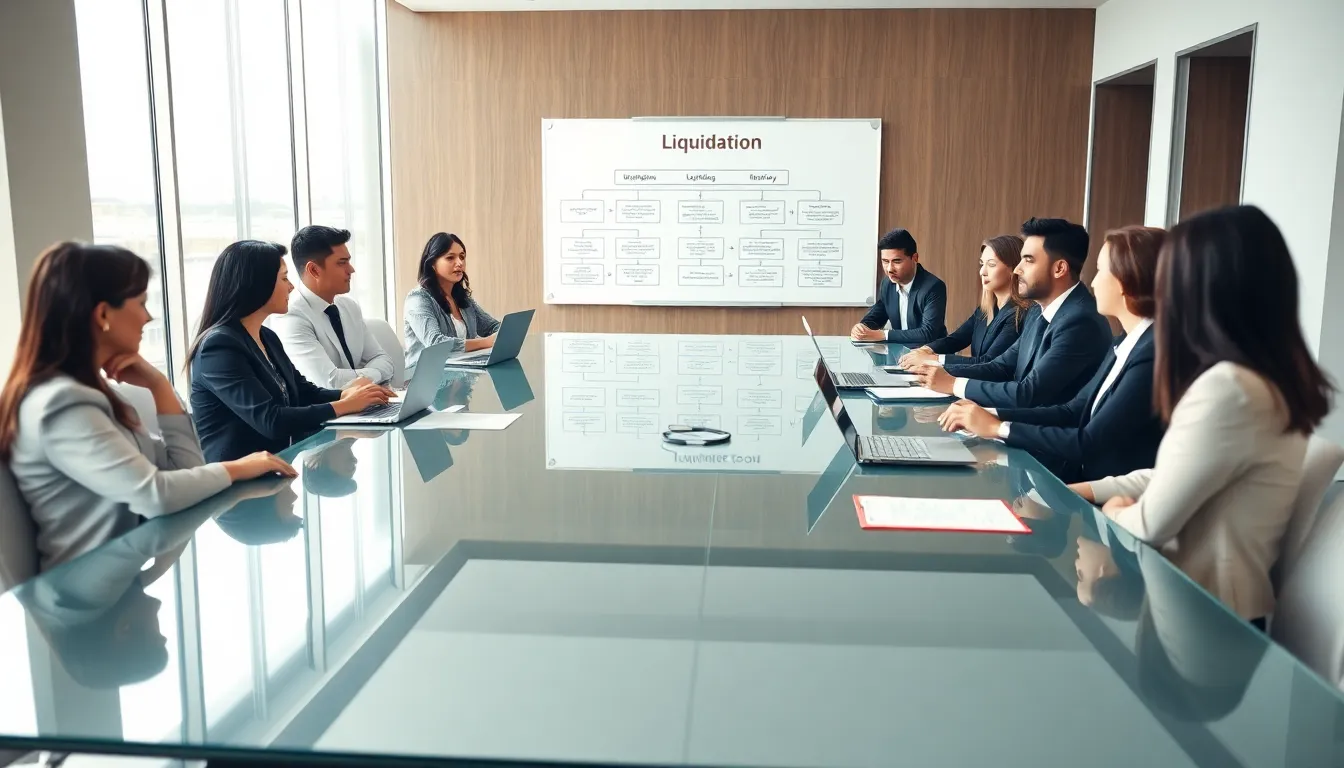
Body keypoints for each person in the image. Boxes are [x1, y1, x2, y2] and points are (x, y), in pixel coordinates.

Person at [1069, 205, 1333, 624]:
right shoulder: (1257, 382)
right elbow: (1175, 473)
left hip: (1200, 619)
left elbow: (1151, 524)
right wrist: (1094, 489)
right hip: (1212, 612)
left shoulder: (1228, 389)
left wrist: (1117, 509)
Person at [0, 242, 297, 571]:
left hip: (118, 585)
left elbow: (184, 473)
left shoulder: (97, 396)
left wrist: (159, 386)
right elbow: (157, 495)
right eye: (140, 303)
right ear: (102, 315)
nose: (149, 316)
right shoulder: (62, 404)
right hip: (88, 602)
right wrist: (239, 467)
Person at [938, 226, 1167, 483]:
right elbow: (1072, 410)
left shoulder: (1145, 350)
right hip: (1084, 479)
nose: (1092, 281)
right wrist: (990, 414)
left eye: (1102, 271)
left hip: (1094, 485)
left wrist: (997, 427)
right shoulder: (1124, 342)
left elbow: (1088, 439)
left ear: (1128, 280)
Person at [188, 240, 391, 463]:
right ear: (257, 284)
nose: (291, 287)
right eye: (284, 278)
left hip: (276, 468)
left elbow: (302, 392)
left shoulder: (267, 336)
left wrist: (349, 394)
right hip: (237, 484)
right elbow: (271, 420)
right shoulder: (218, 347)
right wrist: (344, 405)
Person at [912, 217, 1112, 408]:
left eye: (1028, 260)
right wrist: (932, 371)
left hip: (1046, 436)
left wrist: (953, 384)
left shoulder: (1080, 321)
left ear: (1059, 268)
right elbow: (1000, 367)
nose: (1017, 269)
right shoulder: (1037, 311)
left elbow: (1029, 393)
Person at [268, 225, 397, 388]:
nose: (351, 269)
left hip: (367, 403)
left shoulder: (349, 306)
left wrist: (363, 378)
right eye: (342, 263)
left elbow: (385, 360)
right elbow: (330, 382)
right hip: (332, 411)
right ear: (314, 270)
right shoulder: (290, 316)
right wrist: (374, 374)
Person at [898, 235, 1033, 368]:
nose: (982, 272)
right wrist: (925, 350)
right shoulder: (985, 309)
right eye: (982, 264)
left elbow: (988, 362)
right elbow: (956, 339)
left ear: (1014, 268)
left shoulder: (1018, 314)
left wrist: (934, 359)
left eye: (991, 264)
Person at [404, 232, 500, 368]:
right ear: (432, 264)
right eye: (450, 258)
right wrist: (486, 342)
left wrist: (501, 336)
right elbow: (436, 343)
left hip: (461, 374)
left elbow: (492, 327)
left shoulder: (462, 298)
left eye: (462, 257)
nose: (459, 263)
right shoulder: (418, 299)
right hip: (425, 378)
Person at [850, 228, 947, 346]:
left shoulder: (933, 287)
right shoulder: (887, 284)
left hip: (928, 356)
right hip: (899, 354)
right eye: (885, 261)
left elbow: (928, 333)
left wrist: (884, 335)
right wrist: (862, 327)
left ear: (915, 258)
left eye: (896, 261)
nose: (889, 269)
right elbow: (878, 314)